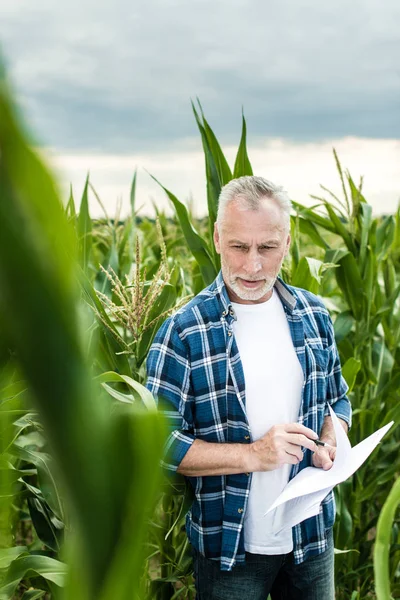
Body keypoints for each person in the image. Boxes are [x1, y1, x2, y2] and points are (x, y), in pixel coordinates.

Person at [146, 176, 351, 600]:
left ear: (287, 242)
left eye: (267, 248)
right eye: (239, 247)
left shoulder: (314, 315)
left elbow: (337, 398)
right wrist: (254, 455)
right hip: (231, 548)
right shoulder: (184, 331)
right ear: (218, 238)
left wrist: (334, 437)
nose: (253, 266)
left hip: (311, 540)